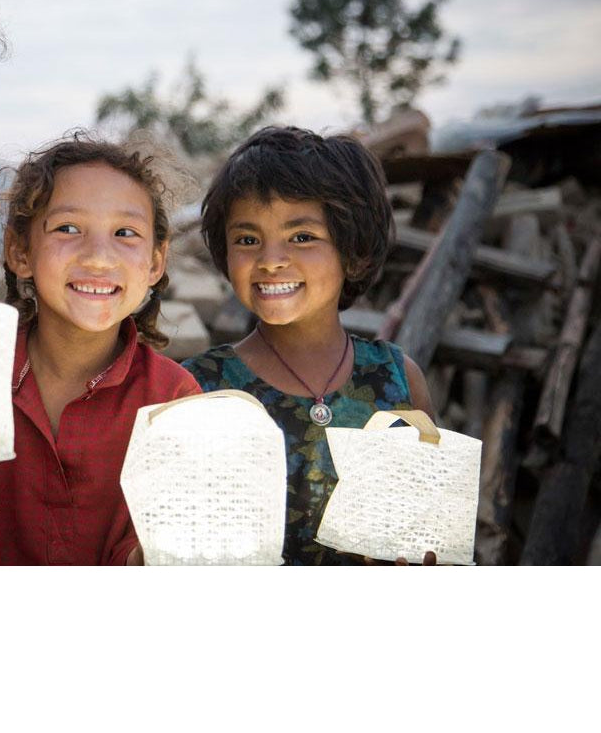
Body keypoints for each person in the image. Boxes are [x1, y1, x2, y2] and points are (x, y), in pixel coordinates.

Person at [181, 126, 436, 566]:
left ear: (352, 251)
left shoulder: (398, 380)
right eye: (247, 239)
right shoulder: (198, 389)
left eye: (302, 237)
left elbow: (432, 530)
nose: (271, 259)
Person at [0, 134, 201, 565]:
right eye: (68, 228)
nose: (99, 257)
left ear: (156, 263)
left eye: (125, 233)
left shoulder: (174, 401)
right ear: (20, 251)